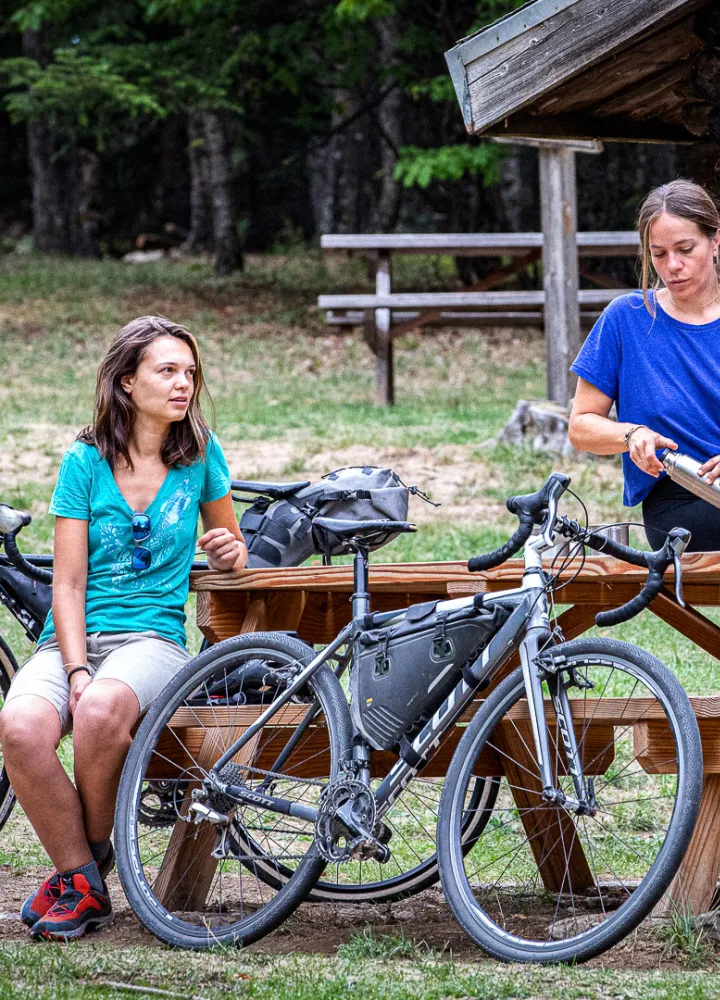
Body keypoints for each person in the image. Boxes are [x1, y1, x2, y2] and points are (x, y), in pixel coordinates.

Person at [0, 316, 247, 941]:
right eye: (167, 371)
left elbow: (233, 547)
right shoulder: (84, 462)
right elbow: (68, 584)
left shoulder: (201, 457)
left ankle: (80, 863)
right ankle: (83, 876)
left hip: (153, 642)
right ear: (127, 382)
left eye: (190, 372)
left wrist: (225, 552)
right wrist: (77, 665)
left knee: (102, 708)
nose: (184, 383)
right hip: (75, 637)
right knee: (19, 724)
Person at [568, 179, 720, 551]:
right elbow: (581, 426)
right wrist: (632, 434)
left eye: (685, 249)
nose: (673, 266)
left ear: (716, 240)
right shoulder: (625, 318)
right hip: (680, 502)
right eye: (659, 254)